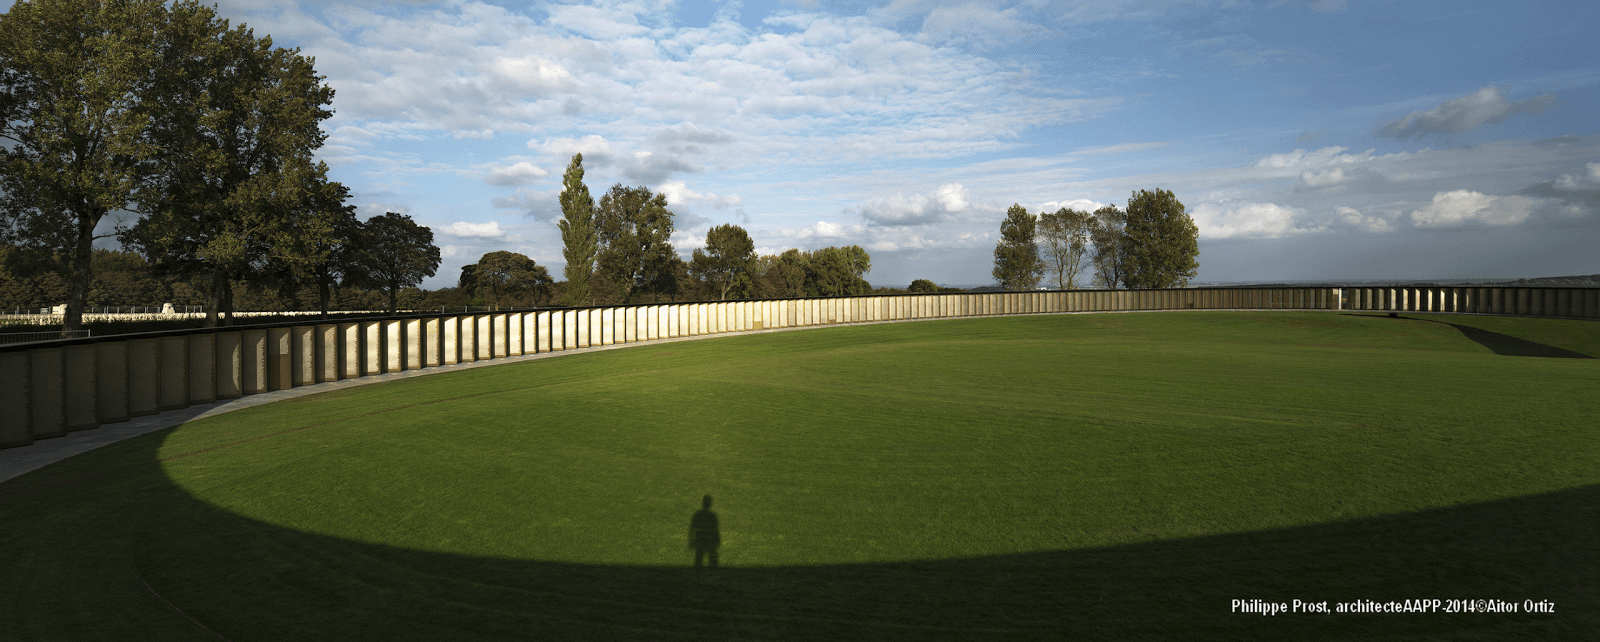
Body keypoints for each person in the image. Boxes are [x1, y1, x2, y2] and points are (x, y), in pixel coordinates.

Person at [688, 494, 720, 568]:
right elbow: (715, 529)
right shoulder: (712, 516)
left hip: (701, 539)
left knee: (699, 560)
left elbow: (692, 528)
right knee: (712, 561)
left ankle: (698, 576)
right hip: (710, 540)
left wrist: (691, 540)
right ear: (710, 503)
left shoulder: (698, 514)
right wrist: (717, 540)